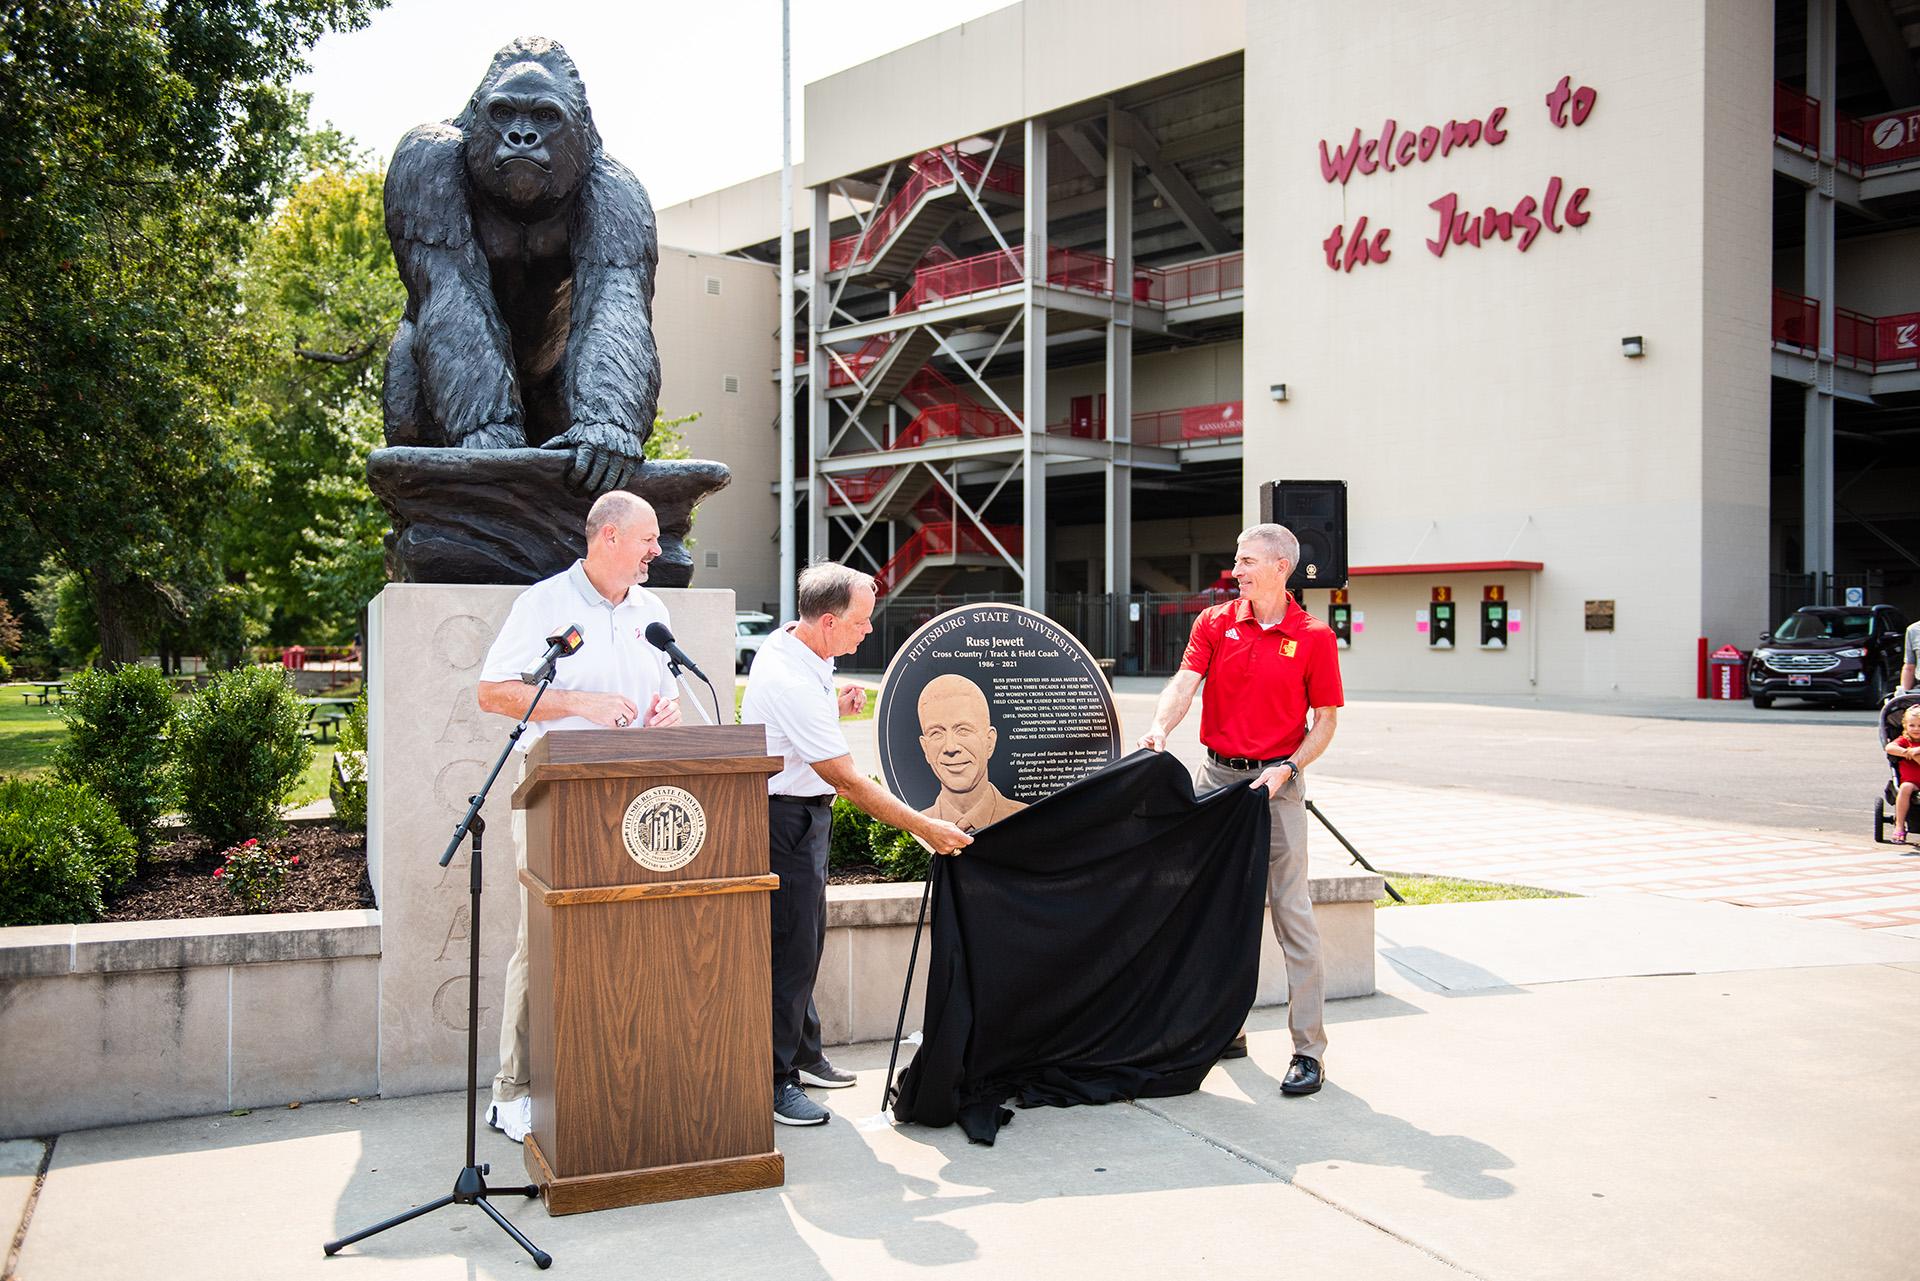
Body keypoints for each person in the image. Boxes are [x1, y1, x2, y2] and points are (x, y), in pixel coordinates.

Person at [473, 491, 682, 1143]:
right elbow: (493, 691)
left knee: (631, 933)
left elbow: (664, 692)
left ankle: (615, 1073)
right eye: (648, 538)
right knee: (543, 938)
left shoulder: (654, 611)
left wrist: (665, 714)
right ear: (609, 537)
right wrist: (580, 704)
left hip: (638, 796)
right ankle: (515, 1090)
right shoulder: (543, 604)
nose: (658, 550)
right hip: (557, 793)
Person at [741, 563, 973, 1127]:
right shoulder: (790, 681)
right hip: (785, 822)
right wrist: (925, 826)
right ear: (826, 620)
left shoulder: (804, 653)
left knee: (807, 940)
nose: (868, 631)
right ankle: (775, 1083)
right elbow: (847, 779)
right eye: (861, 622)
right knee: (789, 952)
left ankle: (804, 1051)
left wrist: (836, 705)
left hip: (802, 815)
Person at [1138, 523, 1345, 1097]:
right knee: (1216, 907)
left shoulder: (1313, 637)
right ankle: (1223, 1028)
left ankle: (1308, 1050)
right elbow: (1185, 681)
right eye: (1238, 559)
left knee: (1291, 914)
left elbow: (1326, 719)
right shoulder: (1216, 621)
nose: (1239, 570)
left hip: (1276, 786)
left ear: (1281, 567)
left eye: (1249, 560)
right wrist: (1161, 726)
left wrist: (1289, 770)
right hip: (1217, 778)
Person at [916, 673, 1028, 830]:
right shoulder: (916, 828)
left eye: (963, 730)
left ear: (990, 741)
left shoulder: (1027, 820)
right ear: (925, 748)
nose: (950, 747)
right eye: (936, 733)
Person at [1887, 705, 1920, 843]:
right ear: (1905, 726)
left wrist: (1916, 750)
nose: (1916, 729)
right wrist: (1906, 752)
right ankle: (1899, 825)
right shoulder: (1904, 741)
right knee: (1905, 788)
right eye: (1912, 725)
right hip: (1911, 781)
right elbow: (1889, 747)